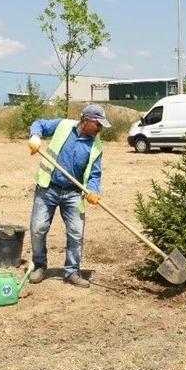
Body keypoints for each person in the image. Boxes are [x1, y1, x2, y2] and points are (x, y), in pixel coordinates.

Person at [26, 104, 110, 287]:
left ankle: (72, 271)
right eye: (98, 124)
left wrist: (93, 191)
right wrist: (35, 136)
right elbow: (39, 124)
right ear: (86, 120)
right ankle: (39, 265)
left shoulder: (96, 145)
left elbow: (95, 174)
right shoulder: (63, 125)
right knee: (38, 228)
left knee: (76, 233)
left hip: (73, 193)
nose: (100, 129)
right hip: (48, 187)